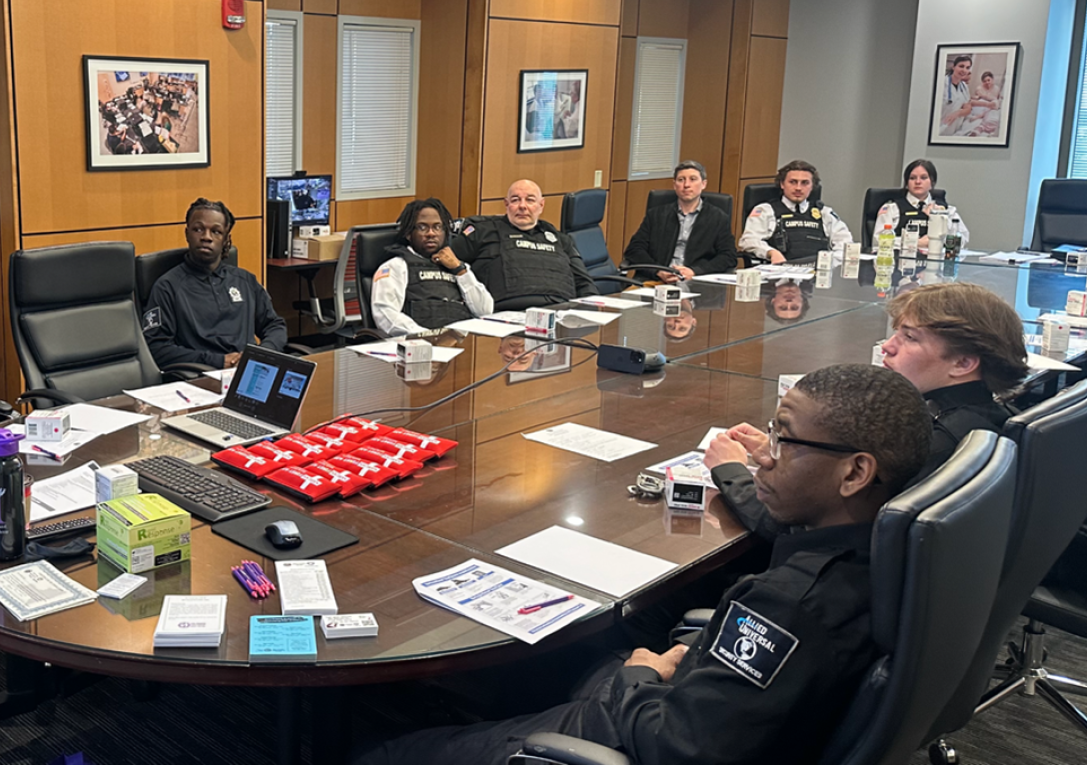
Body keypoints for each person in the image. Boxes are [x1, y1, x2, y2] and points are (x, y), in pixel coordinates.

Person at [354, 364, 931, 765]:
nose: (761, 453)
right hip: (712, 700)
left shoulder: (792, 605)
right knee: (552, 662)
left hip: (648, 729)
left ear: (855, 474)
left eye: (782, 439)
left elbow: (677, 748)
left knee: (381, 753)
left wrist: (641, 673)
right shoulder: (886, 546)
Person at [715, 282, 1024, 540]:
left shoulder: (935, 446)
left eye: (910, 337)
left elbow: (790, 527)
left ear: (963, 363)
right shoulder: (987, 416)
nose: (888, 346)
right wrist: (786, 452)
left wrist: (731, 471)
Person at [143, 197, 288, 369]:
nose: (206, 237)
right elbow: (157, 349)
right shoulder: (167, 287)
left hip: (249, 371)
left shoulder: (245, 280)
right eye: (198, 229)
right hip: (201, 377)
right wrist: (217, 361)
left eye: (216, 231)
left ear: (226, 239)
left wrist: (262, 353)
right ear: (187, 233)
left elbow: (274, 325)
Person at [451, 179, 596, 310]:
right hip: (504, 316)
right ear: (506, 204)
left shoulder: (561, 239)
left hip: (558, 314)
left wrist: (590, 315)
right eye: (515, 200)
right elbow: (449, 263)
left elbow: (584, 284)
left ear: (541, 205)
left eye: (530, 200)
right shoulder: (483, 232)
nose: (522, 206)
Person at [370, 198, 493, 336]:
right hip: (418, 347)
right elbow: (386, 314)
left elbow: (485, 311)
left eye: (437, 227)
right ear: (409, 234)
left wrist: (460, 270)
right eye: (422, 227)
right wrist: (428, 337)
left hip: (460, 346)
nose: (431, 233)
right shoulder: (396, 266)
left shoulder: (459, 268)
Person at [622, 161, 737, 282]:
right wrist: (658, 271)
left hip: (696, 283)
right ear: (674, 185)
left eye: (693, 179)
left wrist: (695, 271)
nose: (686, 185)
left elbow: (728, 256)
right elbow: (634, 249)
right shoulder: (656, 215)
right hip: (656, 281)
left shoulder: (718, 218)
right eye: (681, 180)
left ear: (703, 184)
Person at [739, 160, 852, 264]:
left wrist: (830, 261)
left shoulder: (824, 213)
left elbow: (846, 244)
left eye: (805, 183)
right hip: (779, 274)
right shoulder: (765, 211)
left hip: (817, 275)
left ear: (812, 186)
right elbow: (748, 241)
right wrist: (771, 252)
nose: (798, 188)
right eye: (793, 182)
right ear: (782, 184)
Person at [871, 159, 971, 254]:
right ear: (906, 183)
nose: (918, 182)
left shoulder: (947, 210)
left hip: (936, 265)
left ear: (932, 182)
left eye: (923, 178)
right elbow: (878, 241)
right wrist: (915, 243)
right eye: (912, 178)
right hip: (899, 265)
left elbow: (962, 241)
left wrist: (939, 220)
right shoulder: (892, 209)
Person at [939, 54, 974, 136]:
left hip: (954, 131)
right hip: (939, 129)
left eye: (967, 68)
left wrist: (958, 113)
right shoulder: (941, 83)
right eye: (961, 66)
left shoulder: (964, 87)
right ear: (953, 67)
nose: (964, 70)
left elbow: (968, 109)